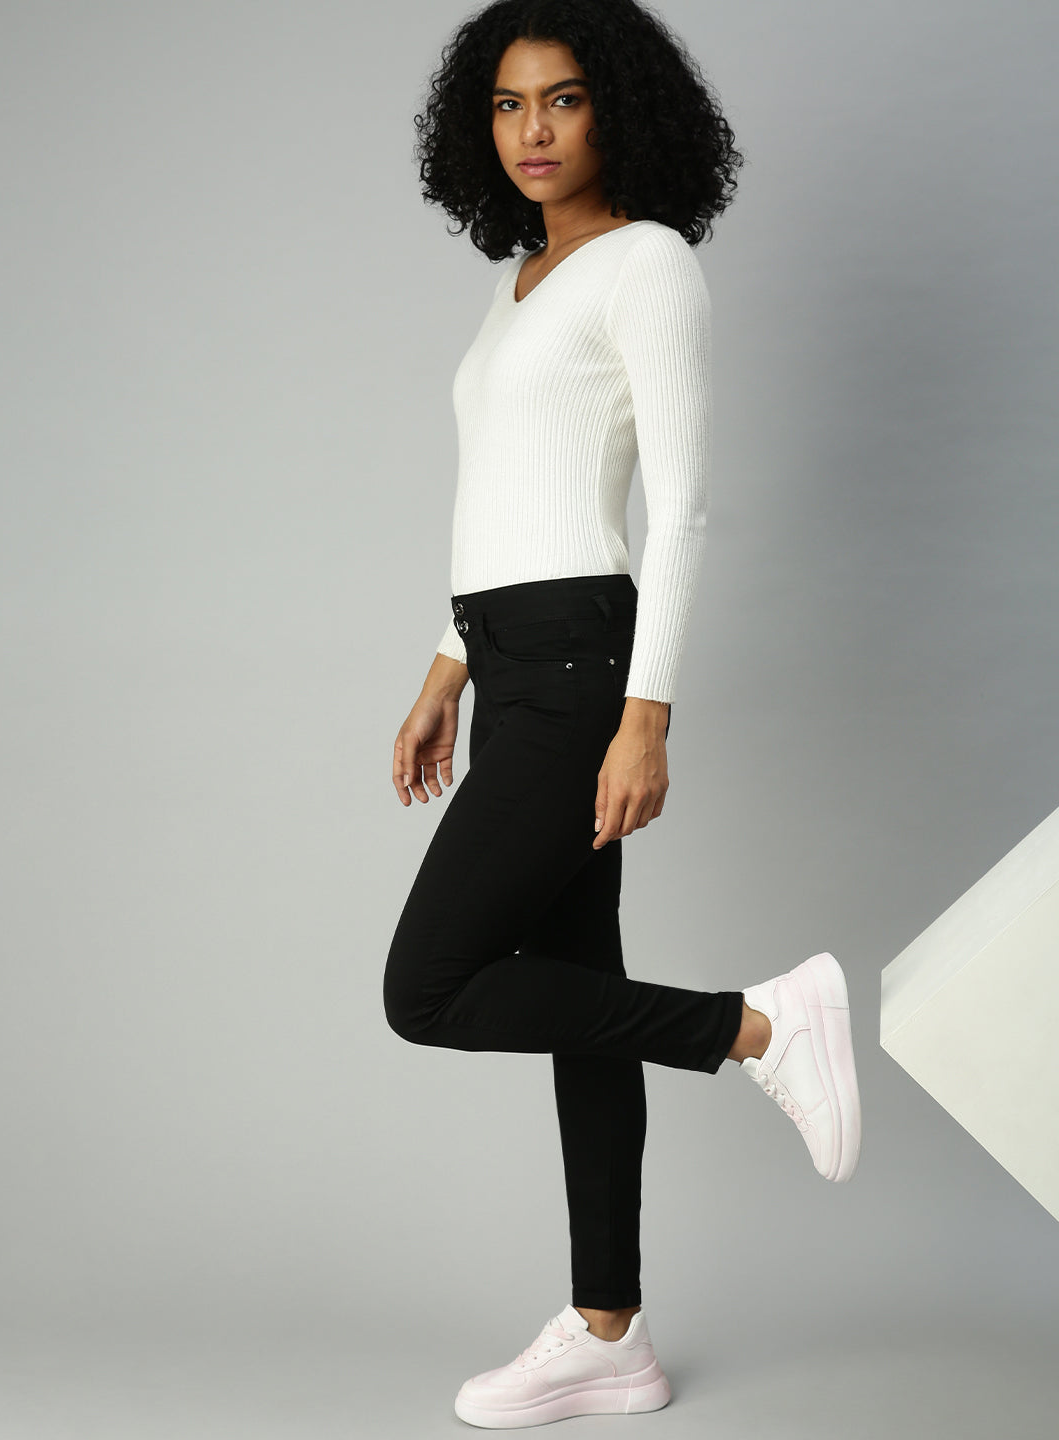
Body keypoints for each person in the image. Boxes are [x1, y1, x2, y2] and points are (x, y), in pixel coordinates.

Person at [383, 1, 862, 1427]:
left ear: (620, 111)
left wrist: (646, 711)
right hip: (510, 661)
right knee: (581, 998)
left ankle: (758, 1027)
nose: (533, 130)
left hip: (584, 671)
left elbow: (682, 505)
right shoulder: (523, 283)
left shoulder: (649, 262)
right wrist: (446, 667)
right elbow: (509, 499)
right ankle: (612, 1334)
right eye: (509, 104)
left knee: (430, 988)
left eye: (565, 99)